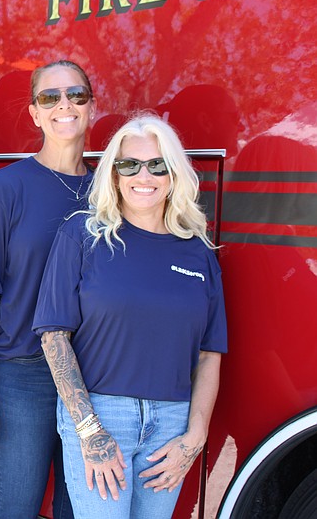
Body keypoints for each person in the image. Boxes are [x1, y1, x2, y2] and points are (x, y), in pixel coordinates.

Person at [33, 114, 227, 518]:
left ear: (174, 174)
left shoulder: (198, 253)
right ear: (114, 174)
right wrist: (89, 432)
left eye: (158, 165)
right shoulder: (81, 235)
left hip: (172, 422)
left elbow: (209, 354)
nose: (145, 175)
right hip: (101, 415)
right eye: (130, 165)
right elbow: (53, 336)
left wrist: (195, 435)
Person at [0, 60, 96, 518]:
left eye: (76, 95)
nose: (64, 105)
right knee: (15, 509)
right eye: (50, 97)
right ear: (35, 114)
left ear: (91, 107)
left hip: (94, 378)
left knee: (78, 509)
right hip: (21, 376)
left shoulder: (112, 191)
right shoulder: (5, 188)